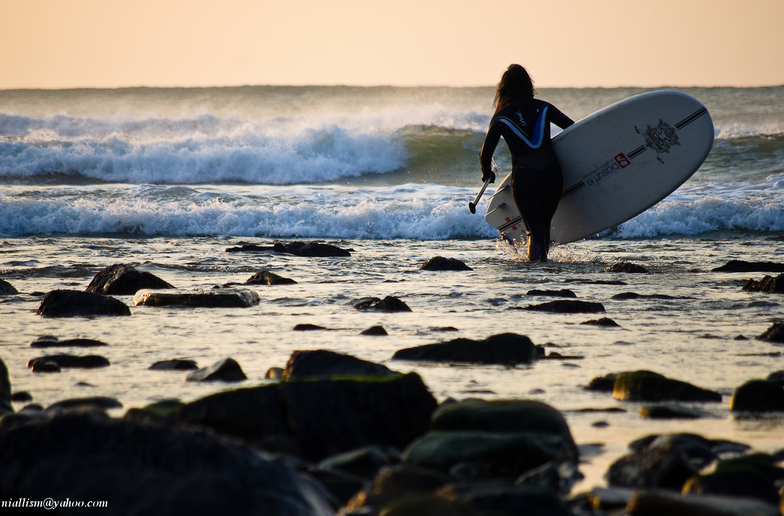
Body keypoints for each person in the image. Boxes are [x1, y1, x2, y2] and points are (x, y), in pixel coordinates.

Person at [480, 64, 574, 262]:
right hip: (552, 175)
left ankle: (537, 273)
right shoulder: (544, 107)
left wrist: (486, 172)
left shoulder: (501, 117)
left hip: (525, 178)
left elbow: (485, 153)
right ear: (529, 85)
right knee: (544, 227)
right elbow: (574, 129)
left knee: (534, 232)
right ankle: (545, 271)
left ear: (505, 88)